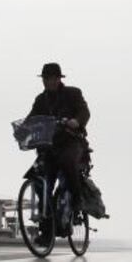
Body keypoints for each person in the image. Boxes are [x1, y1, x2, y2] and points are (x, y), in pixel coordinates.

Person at [27, 63, 90, 240]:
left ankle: (78, 200)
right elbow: (32, 117)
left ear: (58, 79)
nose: (47, 82)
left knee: (67, 162)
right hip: (49, 146)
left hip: (72, 142)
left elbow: (84, 111)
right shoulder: (41, 100)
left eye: (50, 78)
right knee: (40, 180)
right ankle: (46, 232)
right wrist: (24, 128)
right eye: (45, 79)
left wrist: (77, 121)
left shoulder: (73, 93)